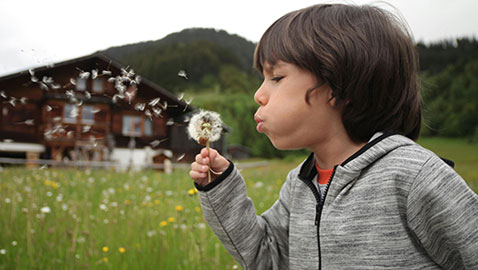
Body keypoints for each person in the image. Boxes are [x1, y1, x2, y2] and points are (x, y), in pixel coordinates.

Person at [189, 3, 478, 269]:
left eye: (276, 78)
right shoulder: (300, 185)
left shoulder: (413, 177)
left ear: (339, 87)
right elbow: (266, 256)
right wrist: (221, 188)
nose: (259, 94)